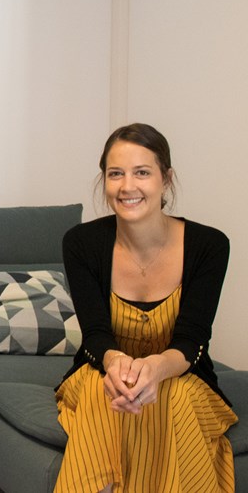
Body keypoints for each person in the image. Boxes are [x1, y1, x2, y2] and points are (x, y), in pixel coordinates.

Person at [54, 123, 239, 492]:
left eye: (142, 172)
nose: (127, 187)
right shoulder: (81, 243)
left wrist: (155, 368)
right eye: (115, 174)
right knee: (101, 391)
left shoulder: (209, 246)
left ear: (166, 178)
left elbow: (192, 340)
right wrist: (116, 365)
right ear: (104, 180)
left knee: (172, 396)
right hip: (100, 367)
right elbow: (95, 334)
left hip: (183, 375)